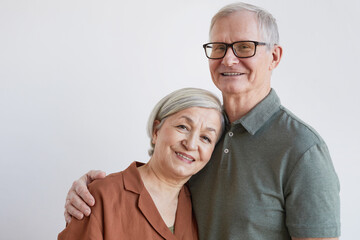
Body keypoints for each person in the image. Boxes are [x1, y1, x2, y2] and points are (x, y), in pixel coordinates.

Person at [63, 2, 341, 240]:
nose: (229, 59)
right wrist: (93, 195)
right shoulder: (207, 135)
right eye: (219, 47)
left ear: (274, 57)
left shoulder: (303, 149)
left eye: (244, 47)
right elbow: (152, 191)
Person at [58, 88, 225, 239]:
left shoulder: (200, 206)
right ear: (155, 131)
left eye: (206, 138)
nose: (191, 144)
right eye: (183, 127)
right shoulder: (100, 196)